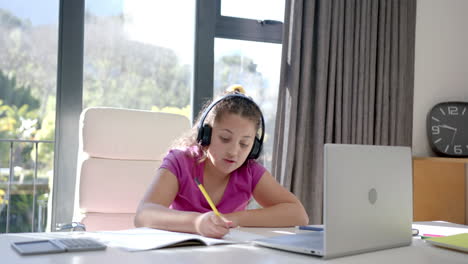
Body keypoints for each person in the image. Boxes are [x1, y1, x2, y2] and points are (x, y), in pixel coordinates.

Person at [134, 86, 309, 238]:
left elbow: (298, 214)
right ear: (206, 135)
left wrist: (233, 219)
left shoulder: (249, 171)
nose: (234, 151)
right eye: (225, 138)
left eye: (244, 144)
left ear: (253, 148)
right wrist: (197, 223)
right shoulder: (180, 161)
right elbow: (144, 214)